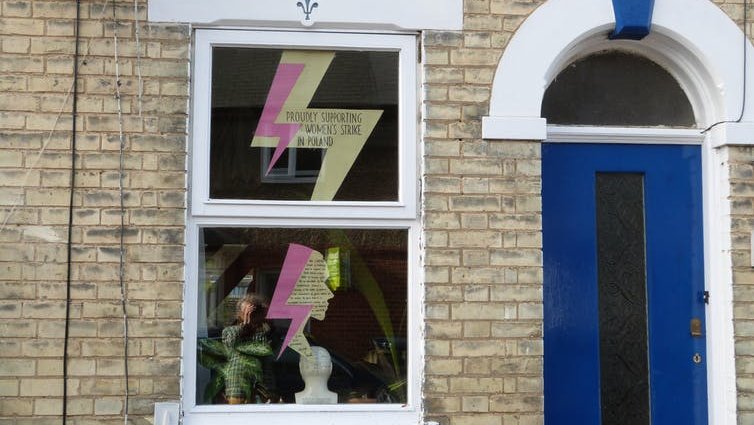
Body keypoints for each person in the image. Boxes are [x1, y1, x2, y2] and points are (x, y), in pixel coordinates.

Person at [222, 293, 276, 404]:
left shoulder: (266, 332)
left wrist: (264, 321)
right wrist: (244, 327)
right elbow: (230, 345)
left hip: (263, 388)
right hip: (238, 388)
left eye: (253, 312)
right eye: (247, 311)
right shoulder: (230, 331)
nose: (250, 315)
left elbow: (267, 353)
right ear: (239, 313)